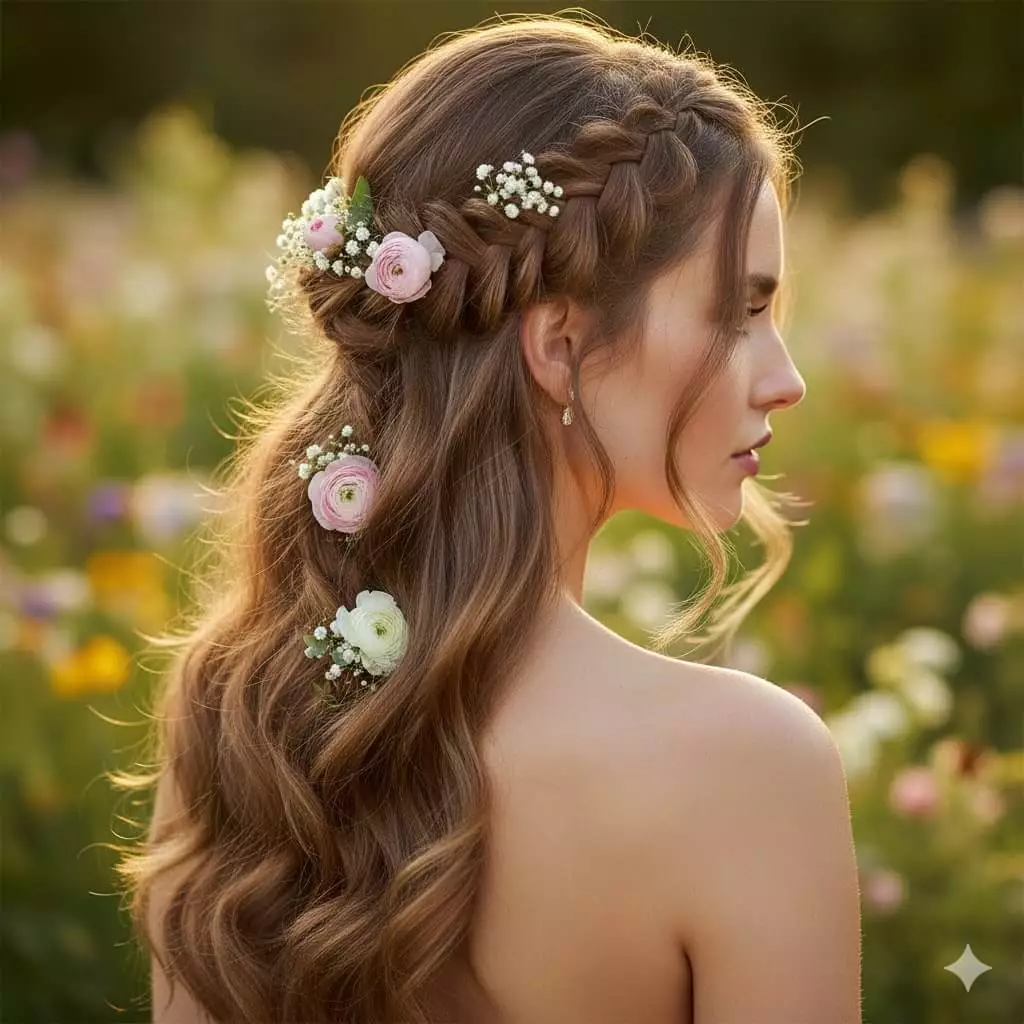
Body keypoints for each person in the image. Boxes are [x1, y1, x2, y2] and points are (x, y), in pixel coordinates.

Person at [113, 13, 863, 1024]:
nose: (787, 380)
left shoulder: (245, 710)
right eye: (737, 310)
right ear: (559, 343)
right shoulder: (747, 767)